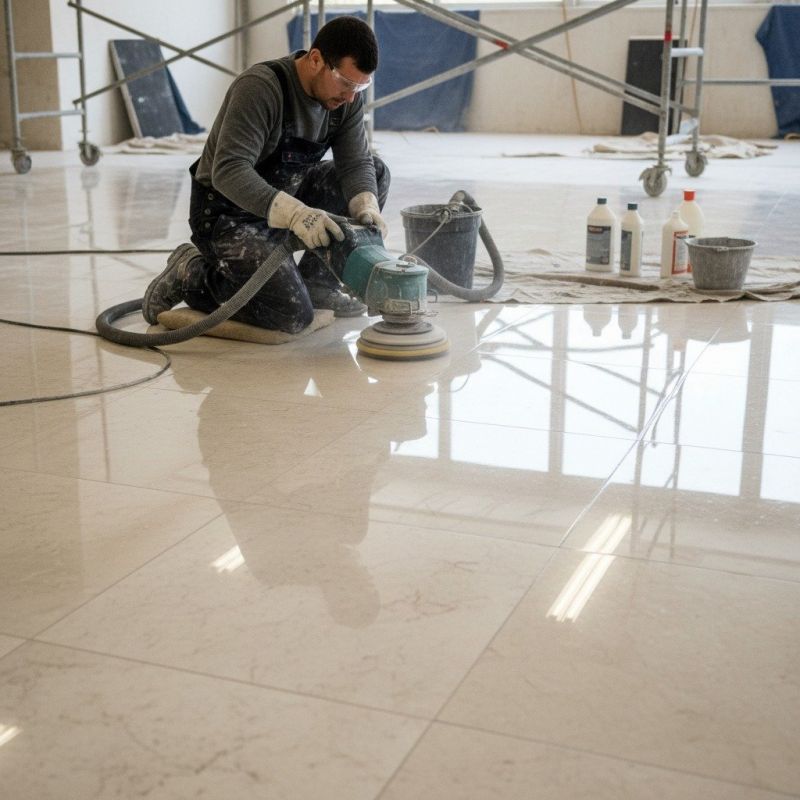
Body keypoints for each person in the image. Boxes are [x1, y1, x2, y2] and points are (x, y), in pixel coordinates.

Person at [143, 16, 390, 333]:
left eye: (360, 87)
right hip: (227, 214)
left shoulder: (345, 101)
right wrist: (296, 213)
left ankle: (319, 285)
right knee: (291, 315)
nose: (351, 97)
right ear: (316, 60)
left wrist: (365, 205)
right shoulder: (261, 88)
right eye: (346, 83)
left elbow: (356, 163)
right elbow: (229, 171)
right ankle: (191, 274)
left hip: (287, 197)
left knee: (377, 173)